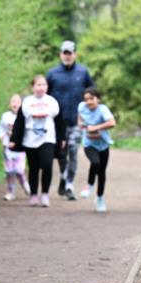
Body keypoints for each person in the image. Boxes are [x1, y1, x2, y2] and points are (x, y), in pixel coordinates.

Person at [46, 40, 95, 201]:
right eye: (64, 53)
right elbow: (44, 96)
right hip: (57, 123)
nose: (67, 56)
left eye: (70, 53)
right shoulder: (52, 74)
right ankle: (63, 176)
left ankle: (68, 185)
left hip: (76, 121)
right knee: (61, 154)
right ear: (60, 54)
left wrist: (91, 115)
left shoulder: (83, 72)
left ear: (75, 54)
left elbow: (92, 93)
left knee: (73, 152)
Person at [9, 75, 64, 207]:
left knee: (47, 164)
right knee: (33, 168)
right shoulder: (27, 102)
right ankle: (33, 194)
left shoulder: (52, 102)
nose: (41, 87)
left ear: (47, 87)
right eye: (38, 85)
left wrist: (62, 138)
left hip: (48, 138)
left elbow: (60, 122)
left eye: (44, 85)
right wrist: (14, 140)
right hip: (30, 139)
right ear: (33, 87)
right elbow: (19, 122)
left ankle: (45, 194)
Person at [77, 87, 116, 213]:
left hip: (103, 144)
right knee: (95, 162)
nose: (88, 102)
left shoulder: (103, 109)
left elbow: (112, 123)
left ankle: (100, 198)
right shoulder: (81, 107)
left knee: (102, 172)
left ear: (97, 99)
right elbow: (80, 117)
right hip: (89, 144)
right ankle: (89, 185)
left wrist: (96, 127)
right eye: (86, 99)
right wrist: (81, 124)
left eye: (91, 99)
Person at [0, 93, 30, 201]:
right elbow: (1, 128)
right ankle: (10, 192)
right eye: (13, 101)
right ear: (9, 104)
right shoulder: (5, 116)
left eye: (18, 102)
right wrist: (1, 135)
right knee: (9, 171)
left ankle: (25, 184)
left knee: (19, 170)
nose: (15, 104)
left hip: (20, 148)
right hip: (8, 147)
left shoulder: (25, 116)